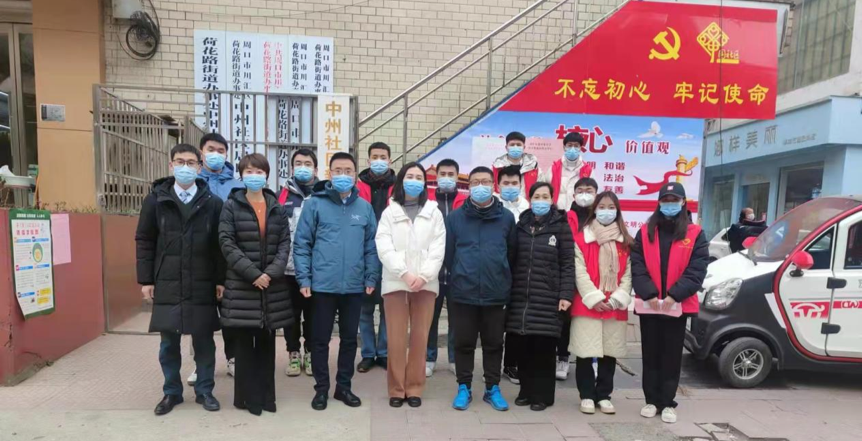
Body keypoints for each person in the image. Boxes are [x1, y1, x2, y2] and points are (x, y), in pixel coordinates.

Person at [136, 144, 224, 416]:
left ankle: (205, 390)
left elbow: (219, 246)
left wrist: (220, 279)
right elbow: (145, 240)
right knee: (168, 343)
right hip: (168, 281)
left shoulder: (213, 203)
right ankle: (171, 392)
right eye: (179, 162)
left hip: (202, 281)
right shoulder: (156, 201)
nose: (185, 167)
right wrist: (146, 280)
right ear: (171, 165)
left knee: (204, 341)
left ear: (199, 167)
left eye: (191, 162)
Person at [293, 152, 380, 411]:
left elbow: (371, 247)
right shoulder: (315, 204)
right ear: (330, 174)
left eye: (348, 171)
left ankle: (344, 387)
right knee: (319, 340)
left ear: (355, 175)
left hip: (353, 286)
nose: (343, 175)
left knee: (349, 340)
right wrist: (304, 278)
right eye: (338, 170)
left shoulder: (364, 208)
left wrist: (371, 276)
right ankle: (321, 389)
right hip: (322, 286)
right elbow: (302, 244)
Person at [219, 153, 293, 416]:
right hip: (243, 285)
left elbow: (284, 243)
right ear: (241, 175)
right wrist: (253, 274)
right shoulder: (231, 206)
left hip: (270, 286)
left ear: (267, 175)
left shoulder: (276, 207)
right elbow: (227, 243)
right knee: (244, 347)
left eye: (259, 171)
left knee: (266, 344)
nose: (254, 176)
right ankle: (246, 399)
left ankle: (266, 398)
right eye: (249, 171)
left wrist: (270, 273)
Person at [631, 182, 708, 424]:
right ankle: (651, 400)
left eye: (674, 200)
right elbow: (637, 265)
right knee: (650, 354)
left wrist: (675, 295)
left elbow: (697, 270)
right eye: (666, 200)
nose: (670, 204)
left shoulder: (695, 233)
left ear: (683, 202)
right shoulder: (646, 231)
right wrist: (650, 294)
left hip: (677, 305)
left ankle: (667, 402)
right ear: (659, 202)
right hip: (651, 304)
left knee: (671, 355)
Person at [445, 166, 517, 412]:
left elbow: (512, 254)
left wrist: (501, 278)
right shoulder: (455, 218)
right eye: (475, 182)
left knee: (494, 343)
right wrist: (461, 273)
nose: (480, 186)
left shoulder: (506, 218)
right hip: (462, 292)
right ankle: (463, 387)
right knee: (463, 342)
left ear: (493, 185)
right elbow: (449, 254)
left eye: (485, 181)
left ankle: (492, 388)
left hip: (495, 292)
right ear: (468, 186)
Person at [376, 162, 447, 408]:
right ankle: (396, 389)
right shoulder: (390, 212)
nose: (414, 181)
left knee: (420, 337)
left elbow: (438, 249)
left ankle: (415, 387)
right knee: (396, 339)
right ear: (401, 180)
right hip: (396, 283)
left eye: (419, 177)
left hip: (425, 285)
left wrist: (424, 276)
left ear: (425, 183)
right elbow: (384, 246)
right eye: (410, 176)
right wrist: (404, 274)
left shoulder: (434, 213)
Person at [506, 183, 575, 411]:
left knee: (544, 349)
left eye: (545, 196)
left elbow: (568, 263)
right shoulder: (521, 225)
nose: (541, 200)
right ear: (530, 198)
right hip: (521, 297)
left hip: (548, 297)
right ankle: (526, 391)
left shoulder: (561, 227)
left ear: (552, 200)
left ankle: (543, 395)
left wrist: (565, 294)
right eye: (537, 196)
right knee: (523, 347)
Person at [571, 191, 633, 416]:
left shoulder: (626, 242)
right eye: (602, 207)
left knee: (609, 353)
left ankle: (604, 395)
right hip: (587, 305)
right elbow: (579, 272)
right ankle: (587, 395)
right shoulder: (582, 238)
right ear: (594, 210)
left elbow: (628, 274)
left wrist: (616, 299)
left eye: (611, 207)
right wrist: (594, 298)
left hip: (614, 307)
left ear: (617, 211)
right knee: (585, 352)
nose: (606, 211)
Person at [195, 132, 245, 383]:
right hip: (199, 259)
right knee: (200, 317)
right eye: (211, 149)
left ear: (227, 154)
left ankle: (233, 358)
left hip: (230, 259)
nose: (215, 154)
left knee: (230, 315)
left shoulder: (237, 186)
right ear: (201, 152)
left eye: (221, 150)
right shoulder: (192, 183)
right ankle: (201, 365)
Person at [278, 148, 319, 377]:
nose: (303, 167)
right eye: (299, 164)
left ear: (316, 169)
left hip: (315, 271)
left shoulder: (323, 195)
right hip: (287, 270)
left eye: (308, 164)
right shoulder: (281, 196)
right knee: (290, 316)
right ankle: (293, 353)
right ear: (292, 168)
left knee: (313, 316)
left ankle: (310, 353)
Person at [357, 142, 395, 373]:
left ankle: (384, 353)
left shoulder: (398, 187)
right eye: (375, 156)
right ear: (368, 160)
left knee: (387, 308)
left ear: (390, 160)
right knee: (365, 309)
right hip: (364, 253)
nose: (379, 160)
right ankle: (368, 354)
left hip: (390, 254)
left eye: (383, 156)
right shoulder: (358, 185)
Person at [425, 158, 465, 377]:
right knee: (430, 319)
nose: (447, 178)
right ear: (436, 175)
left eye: (451, 174)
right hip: (433, 273)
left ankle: (454, 358)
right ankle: (429, 357)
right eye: (443, 174)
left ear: (457, 177)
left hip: (458, 272)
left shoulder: (465, 201)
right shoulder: (428, 201)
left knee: (457, 321)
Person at [558, 177, 599, 381]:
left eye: (589, 190)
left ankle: (592, 359)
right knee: (565, 320)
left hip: (593, 277)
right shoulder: (565, 217)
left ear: (596, 194)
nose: (584, 194)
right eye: (580, 190)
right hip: (568, 275)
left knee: (590, 320)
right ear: (573, 195)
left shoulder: (601, 217)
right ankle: (563, 358)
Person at [496, 164, 529, 385]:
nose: (510, 187)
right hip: (498, 271)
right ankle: (492, 366)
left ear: (521, 184)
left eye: (514, 183)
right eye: (506, 183)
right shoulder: (493, 206)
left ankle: (511, 364)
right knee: (496, 324)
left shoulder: (528, 208)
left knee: (516, 322)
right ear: (498, 185)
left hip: (521, 271)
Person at [540, 132, 594, 208]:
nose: (572, 148)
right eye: (570, 145)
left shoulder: (587, 170)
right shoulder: (554, 168)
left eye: (576, 146)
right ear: (564, 147)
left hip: (579, 211)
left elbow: (592, 193)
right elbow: (544, 190)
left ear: (580, 148)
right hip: (557, 211)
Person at [492, 131, 539, 195]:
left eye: (519, 145)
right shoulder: (497, 167)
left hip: (526, 201)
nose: (515, 147)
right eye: (512, 145)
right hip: (502, 200)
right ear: (506, 147)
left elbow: (539, 189)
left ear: (524, 147)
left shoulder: (533, 166)